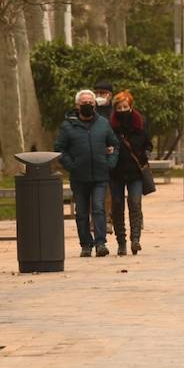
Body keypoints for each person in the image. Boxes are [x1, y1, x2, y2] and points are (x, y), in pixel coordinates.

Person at [54, 89, 119, 257]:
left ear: (95, 105)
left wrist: (109, 164)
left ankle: (100, 243)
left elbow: (115, 145)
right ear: (77, 105)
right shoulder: (68, 126)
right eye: (84, 104)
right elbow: (59, 149)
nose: (88, 106)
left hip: (100, 175)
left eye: (91, 103)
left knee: (98, 208)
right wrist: (72, 165)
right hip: (79, 177)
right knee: (82, 212)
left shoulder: (103, 124)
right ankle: (86, 244)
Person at [108, 89, 152, 256]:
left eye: (125, 107)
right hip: (116, 172)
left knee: (135, 203)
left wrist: (145, 155)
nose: (122, 111)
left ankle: (135, 239)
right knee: (117, 206)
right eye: (119, 108)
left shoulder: (140, 122)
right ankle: (121, 241)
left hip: (135, 172)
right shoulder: (110, 125)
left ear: (131, 107)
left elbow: (148, 143)